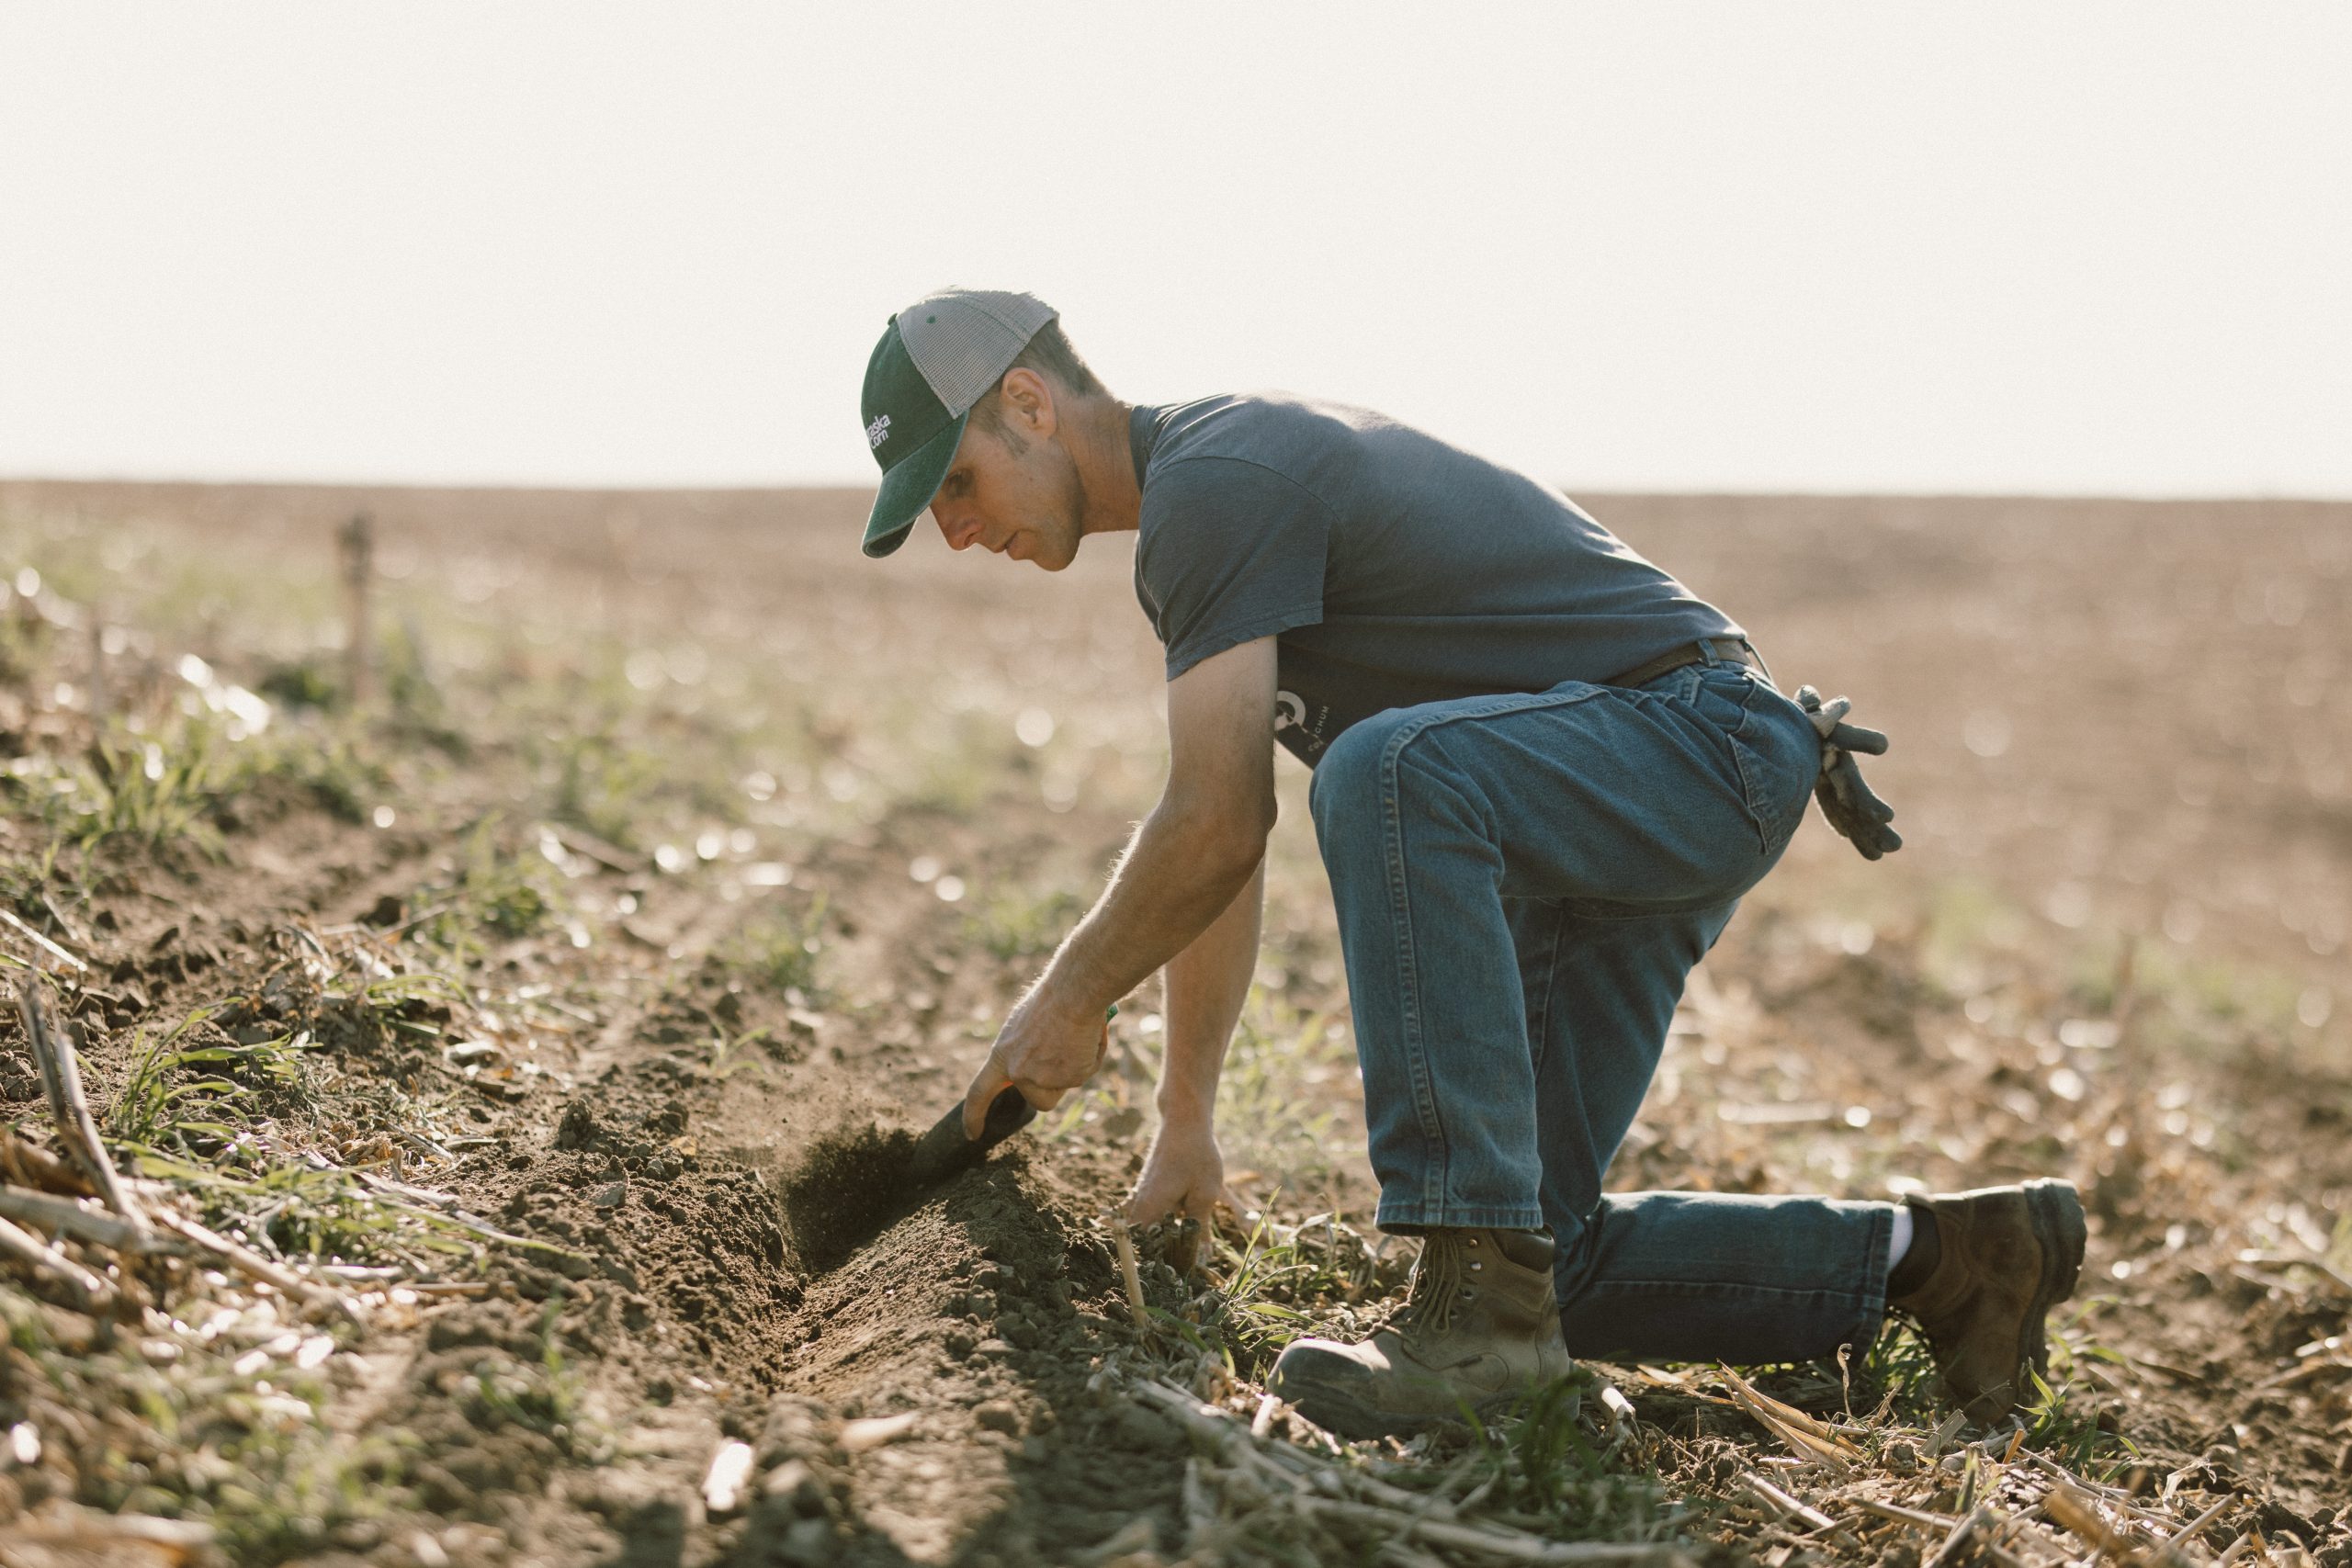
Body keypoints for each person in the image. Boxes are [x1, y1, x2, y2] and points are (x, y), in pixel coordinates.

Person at [854, 288, 2086, 1440]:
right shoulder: (1208, 511)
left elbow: (1218, 821)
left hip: (1695, 743)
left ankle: (1472, 1320)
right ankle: (1955, 1262)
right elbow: (1217, 840)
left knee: (1389, 774)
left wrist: (1070, 996)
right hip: (1636, 785)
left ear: (1028, 402)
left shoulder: (1214, 481)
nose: (958, 533)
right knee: (1553, 1261)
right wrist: (1185, 1119)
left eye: (956, 483)